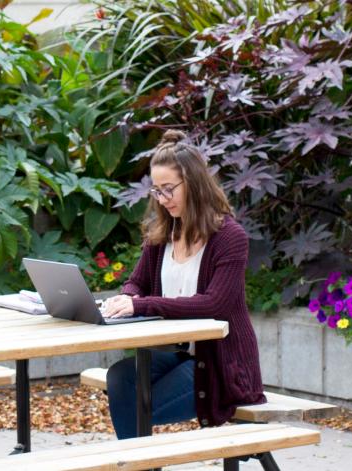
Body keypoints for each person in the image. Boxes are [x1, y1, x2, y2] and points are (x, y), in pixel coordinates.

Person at [101, 129, 265, 439]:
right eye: (156, 191)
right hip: (178, 355)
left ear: (193, 183)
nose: (162, 200)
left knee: (134, 406)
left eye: (168, 189)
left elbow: (213, 304)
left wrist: (142, 304)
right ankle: (142, 463)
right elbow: (136, 283)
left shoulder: (229, 238)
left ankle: (138, 463)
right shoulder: (162, 235)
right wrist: (125, 300)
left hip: (220, 364)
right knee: (121, 377)